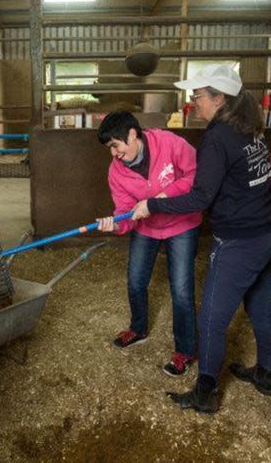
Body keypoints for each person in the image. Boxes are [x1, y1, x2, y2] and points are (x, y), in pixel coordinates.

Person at [131, 64, 271, 414]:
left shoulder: (217, 138)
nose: (193, 102)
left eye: (198, 96)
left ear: (219, 98)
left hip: (241, 240)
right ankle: (265, 372)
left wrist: (152, 204)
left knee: (211, 319)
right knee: (260, 304)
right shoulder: (250, 127)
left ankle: (206, 393)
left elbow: (201, 198)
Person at [96, 111, 202, 376]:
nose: (113, 153)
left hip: (182, 223)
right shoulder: (116, 173)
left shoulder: (168, 142)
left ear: (132, 135)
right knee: (135, 280)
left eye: (115, 145)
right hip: (147, 228)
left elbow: (196, 174)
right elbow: (125, 211)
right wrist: (116, 224)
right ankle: (139, 328)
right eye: (109, 148)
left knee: (181, 290)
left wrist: (160, 199)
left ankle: (186, 351)